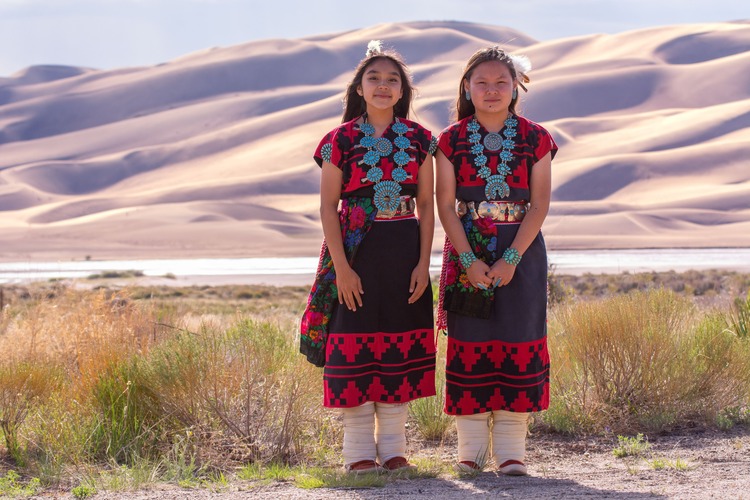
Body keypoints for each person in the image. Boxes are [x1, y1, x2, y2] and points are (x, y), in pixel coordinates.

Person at [300, 40, 437, 474]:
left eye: (392, 80)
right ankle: (358, 452)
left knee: (397, 342)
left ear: (403, 91)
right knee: (353, 347)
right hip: (354, 252)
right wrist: (342, 268)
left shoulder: (421, 140)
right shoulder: (337, 140)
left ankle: (394, 449)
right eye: (373, 78)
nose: (383, 85)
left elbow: (428, 205)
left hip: (403, 250)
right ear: (359, 87)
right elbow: (327, 207)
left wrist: (422, 264)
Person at [434, 46, 557, 475]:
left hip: (521, 251)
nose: (491, 91)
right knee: (469, 342)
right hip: (467, 249)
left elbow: (539, 205)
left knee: (519, 338)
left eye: (500, 82)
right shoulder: (448, 139)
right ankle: (470, 454)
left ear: (516, 87)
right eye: (481, 83)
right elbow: (445, 206)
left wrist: (510, 259)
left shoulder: (536, 137)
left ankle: (511, 455)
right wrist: (468, 260)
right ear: (467, 87)